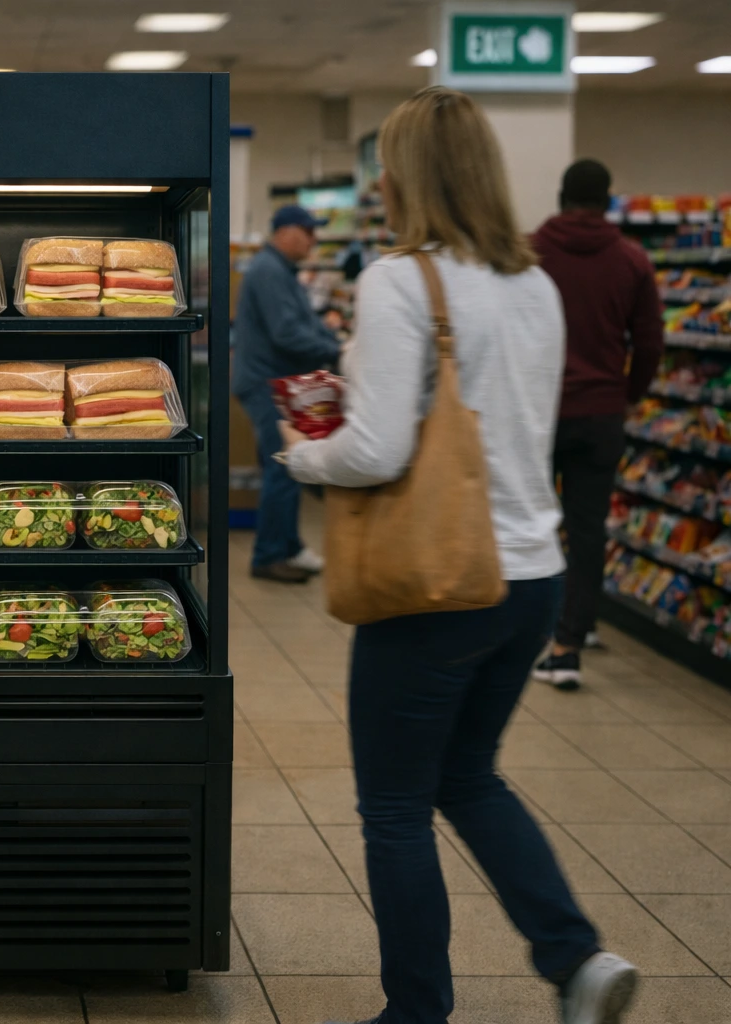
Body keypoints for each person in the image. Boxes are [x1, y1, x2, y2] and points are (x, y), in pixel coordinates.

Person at [280, 88, 637, 1024]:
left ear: (405, 179)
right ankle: (576, 959)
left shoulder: (406, 280)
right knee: (469, 777)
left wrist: (302, 452)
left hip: (442, 581)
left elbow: (379, 451)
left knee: (394, 807)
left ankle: (416, 1013)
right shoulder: (534, 285)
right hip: (531, 575)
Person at [530, 159, 664, 690]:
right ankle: (569, 643)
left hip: (539, 413)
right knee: (587, 531)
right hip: (601, 414)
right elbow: (650, 343)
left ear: (561, 197)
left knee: (532, 522)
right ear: (608, 201)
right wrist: (625, 395)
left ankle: (527, 631)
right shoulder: (632, 259)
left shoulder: (530, 253)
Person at [233, 204, 343, 583]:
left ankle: (289, 545)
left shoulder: (280, 270)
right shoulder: (268, 270)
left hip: (278, 383)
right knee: (283, 465)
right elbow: (287, 333)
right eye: (308, 231)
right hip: (266, 383)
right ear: (284, 232)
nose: (313, 240)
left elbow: (302, 322)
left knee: (289, 466)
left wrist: (329, 338)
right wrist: (334, 350)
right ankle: (268, 556)